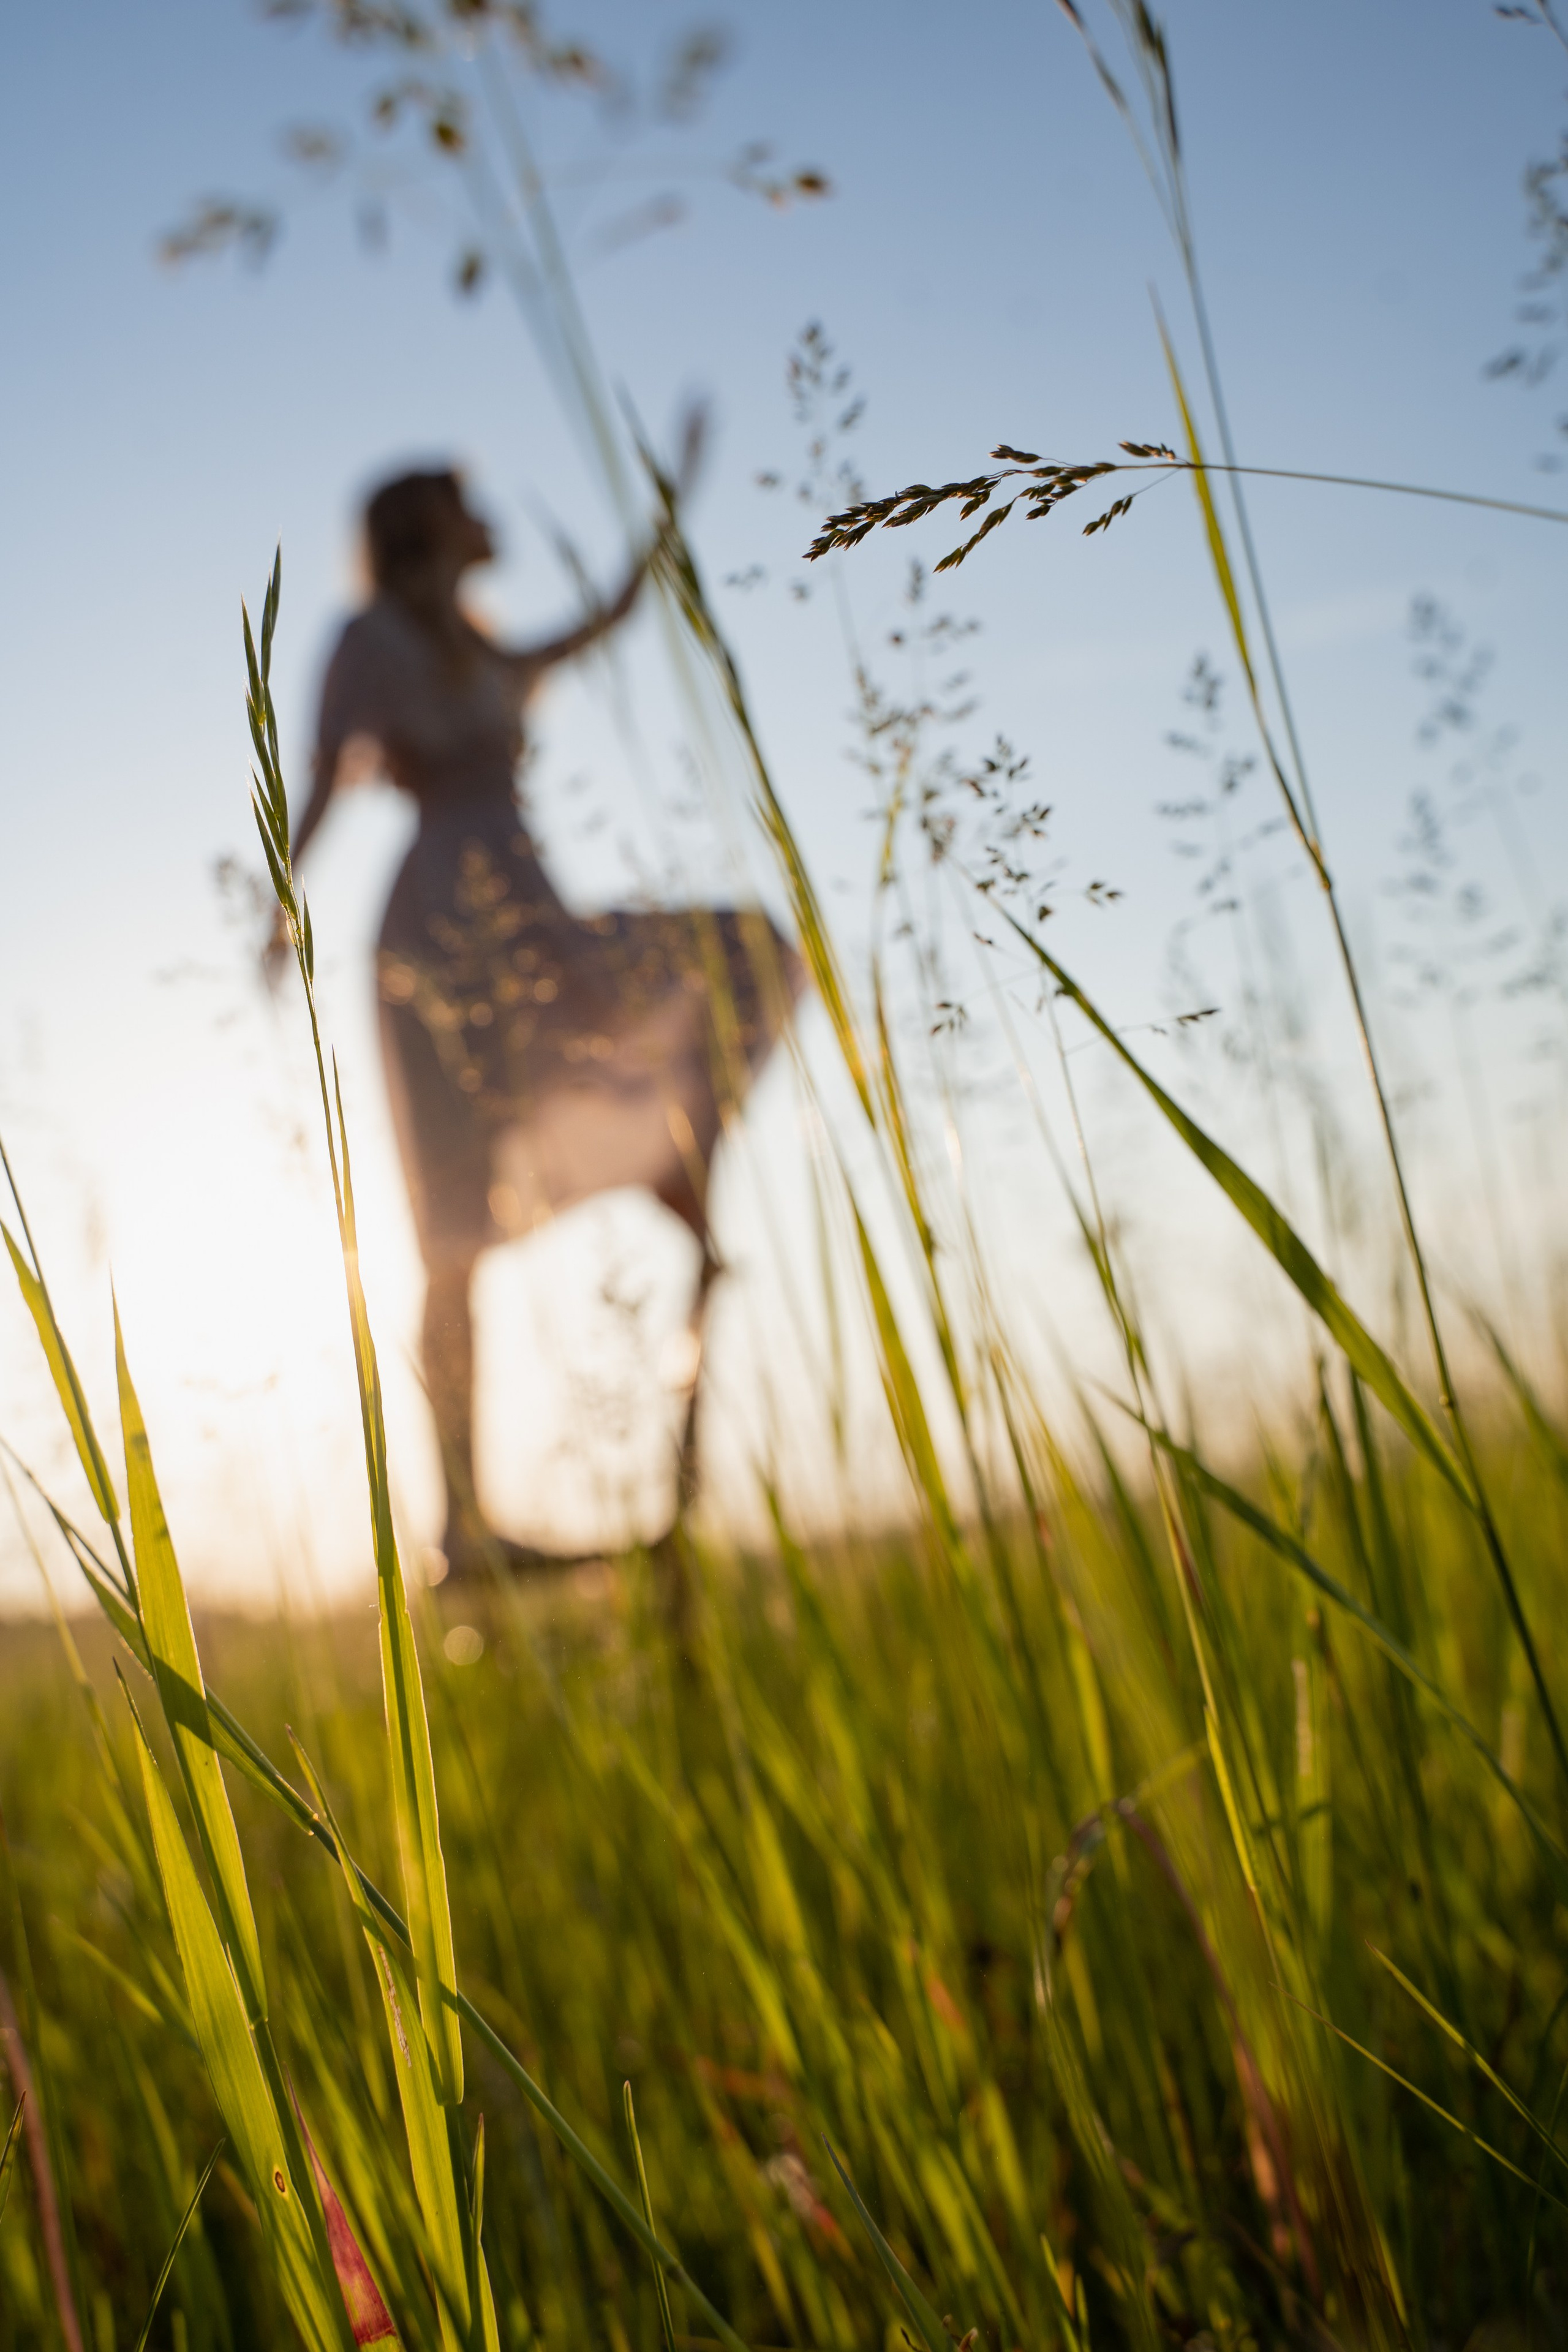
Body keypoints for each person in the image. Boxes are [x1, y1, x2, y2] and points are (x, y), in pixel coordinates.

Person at [281, 458, 803, 1578]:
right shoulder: (369, 640)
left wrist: (666, 514)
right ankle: (465, 1527)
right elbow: (323, 777)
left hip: (534, 911)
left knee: (744, 952)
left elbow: (599, 622)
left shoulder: (483, 645)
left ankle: (677, 1158)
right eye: (463, 502)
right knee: (450, 1235)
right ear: (420, 526)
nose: (487, 514)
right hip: (433, 925)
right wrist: (282, 918)